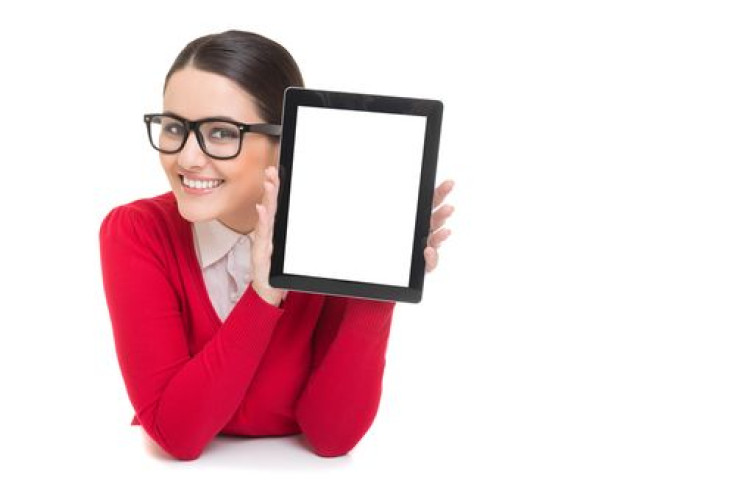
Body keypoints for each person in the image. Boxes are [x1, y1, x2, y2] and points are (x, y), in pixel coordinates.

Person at [98, 30, 455, 461]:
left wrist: (380, 282)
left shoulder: (338, 235)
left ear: (286, 142)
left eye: (221, 133)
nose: (187, 158)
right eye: (175, 127)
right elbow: (177, 434)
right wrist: (263, 293)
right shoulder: (136, 232)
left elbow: (332, 437)